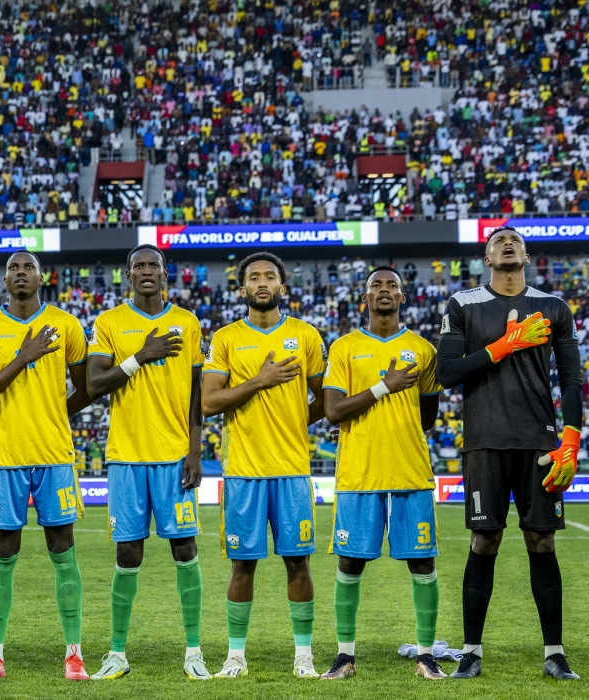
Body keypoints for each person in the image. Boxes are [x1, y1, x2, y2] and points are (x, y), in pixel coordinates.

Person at [436, 227, 583, 680]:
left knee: (543, 541)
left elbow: (572, 380)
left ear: (526, 255)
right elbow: (447, 373)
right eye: (498, 240)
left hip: (539, 442)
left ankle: (555, 653)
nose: (507, 243)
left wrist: (571, 440)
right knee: (484, 541)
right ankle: (471, 652)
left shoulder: (554, 307)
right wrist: (505, 345)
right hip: (484, 441)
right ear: (487, 257)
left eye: (514, 240)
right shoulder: (462, 304)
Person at [0, 251, 93, 681]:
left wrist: (54, 412)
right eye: (13, 269)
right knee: (3, 553)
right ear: (4, 281)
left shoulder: (66, 324)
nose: (21, 273)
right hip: (5, 457)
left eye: (28, 268)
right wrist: (23, 356)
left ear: (42, 277)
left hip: (54, 455)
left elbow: (86, 388)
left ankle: (74, 655)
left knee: (64, 550)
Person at [85, 245, 210, 680]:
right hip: (126, 455)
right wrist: (140, 355)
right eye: (138, 266)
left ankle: (194, 651)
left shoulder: (187, 322)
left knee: (185, 548)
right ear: (128, 275)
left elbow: (198, 392)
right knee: (127, 551)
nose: (146, 271)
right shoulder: (109, 322)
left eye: (153, 265)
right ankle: (117, 653)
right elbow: (94, 383)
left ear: (164, 273)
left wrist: (195, 450)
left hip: (174, 456)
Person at [202, 252, 326, 679]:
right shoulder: (226, 338)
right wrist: (259, 381)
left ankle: (304, 657)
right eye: (253, 277)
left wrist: (294, 420)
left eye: (269, 277)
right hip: (243, 471)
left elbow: (326, 398)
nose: (261, 282)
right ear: (242, 289)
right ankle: (235, 656)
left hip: (292, 470)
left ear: (282, 287)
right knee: (242, 565)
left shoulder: (305, 335)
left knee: (298, 562)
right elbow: (209, 402)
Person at [320, 267, 444, 680]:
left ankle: (426, 656)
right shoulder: (344, 347)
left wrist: (386, 419)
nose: (385, 290)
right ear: (365, 297)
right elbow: (333, 411)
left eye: (393, 285)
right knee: (350, 563)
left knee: (422, 564)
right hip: (359, 472)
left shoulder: (423, 349)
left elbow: (427, 417)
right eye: (377, 285)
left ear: (403, 297)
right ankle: (344, 656)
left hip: (410, 470)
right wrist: (382, 388)